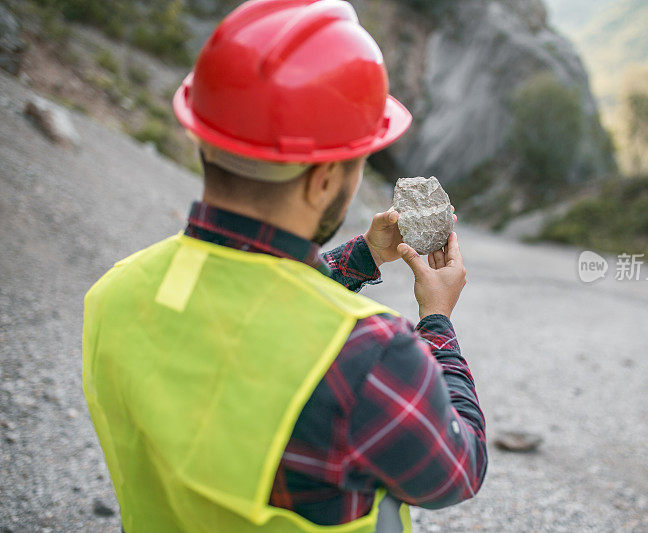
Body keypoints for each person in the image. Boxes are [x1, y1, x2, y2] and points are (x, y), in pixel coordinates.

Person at [82, 1, 487, 531]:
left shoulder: (115, 292)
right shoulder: (368, 354)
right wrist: (436, 320)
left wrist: (363, 256)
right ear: (322, 179)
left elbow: (252, 300)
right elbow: (458, 469)